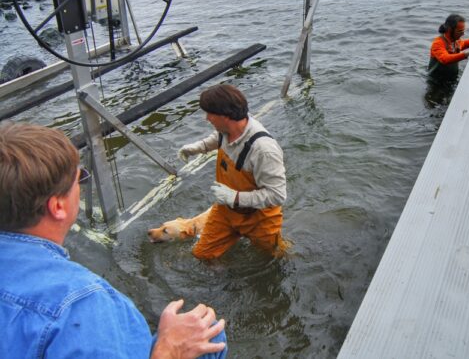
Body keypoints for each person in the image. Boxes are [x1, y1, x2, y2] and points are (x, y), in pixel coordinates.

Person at [0, 121, 228, 359]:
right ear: (58, 206)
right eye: (80, 179)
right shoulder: (85, 304)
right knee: (212, 335)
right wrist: (168, 351)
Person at [178, 84, 287, 260]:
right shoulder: (226, 129)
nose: (207, 118)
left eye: (210, 114)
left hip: (259, 219)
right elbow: (218, 138)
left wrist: (235, 197)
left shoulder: (264, 150)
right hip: (225, 210)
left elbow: (277, 195)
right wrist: (198, 148)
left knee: (272, 257)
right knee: (202, 254)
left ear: (225, 115)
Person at [428, 13, 469, 82]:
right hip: (436, 81)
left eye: (463, 30)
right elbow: (445, 59)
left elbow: (464, 44)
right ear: (449, 30)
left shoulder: (456, 41)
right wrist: (465, 55)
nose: (463, 34)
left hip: (451, 78)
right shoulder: (438, 43)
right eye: (460, 31)